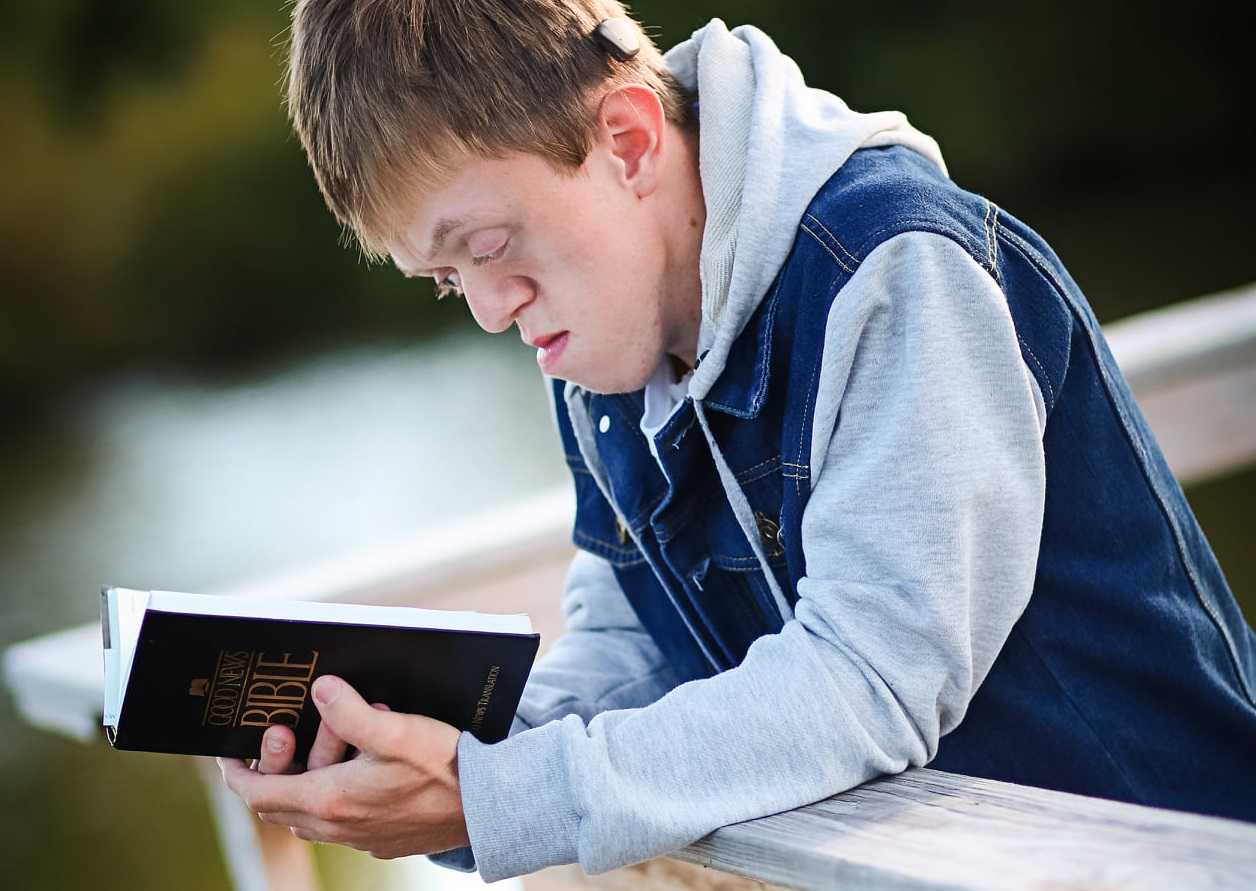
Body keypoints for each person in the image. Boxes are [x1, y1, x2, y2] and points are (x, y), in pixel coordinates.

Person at [217, 0, 1256, 882]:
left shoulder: (895, 270)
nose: (491, 311)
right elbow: (630, 652)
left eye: (490, 249)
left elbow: (868, 682)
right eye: (448, 282)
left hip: (1152, 850)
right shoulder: (604, 343)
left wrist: (495, 799)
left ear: (625, 141)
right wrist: (413, 754)